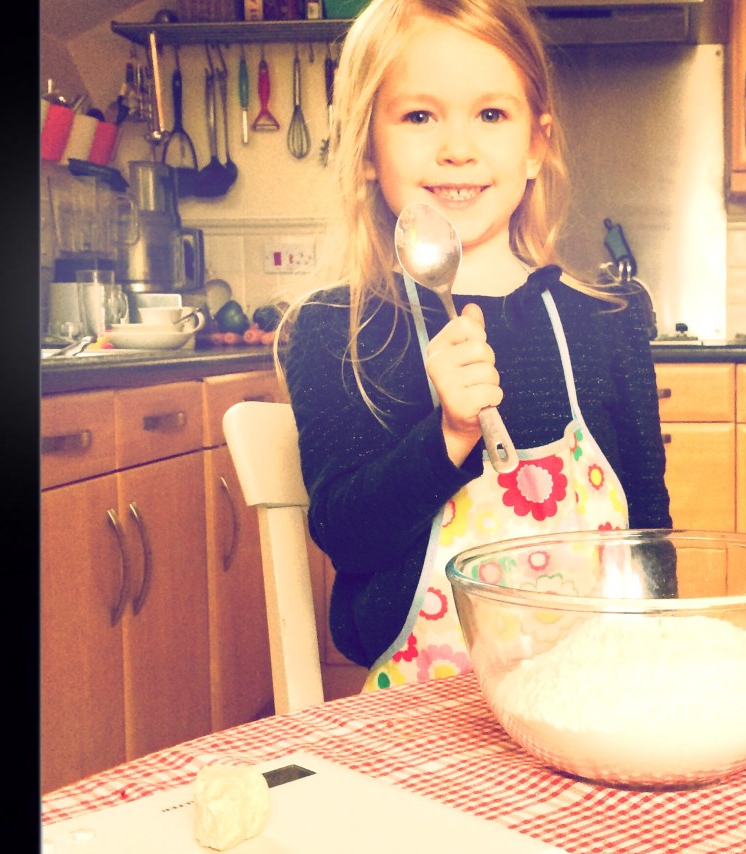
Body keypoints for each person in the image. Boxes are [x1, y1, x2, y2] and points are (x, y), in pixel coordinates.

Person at [278, 0, 672, 690]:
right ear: (368, 148)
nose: (457, 148)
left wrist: (658, 668)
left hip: (599, 695)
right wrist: (449, 436)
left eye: (490, 115)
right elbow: (348, 533)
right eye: (419, 116)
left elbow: (650, 526)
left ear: (536, 143)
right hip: (424, 714)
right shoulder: (335, 331)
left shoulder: (608, 321)